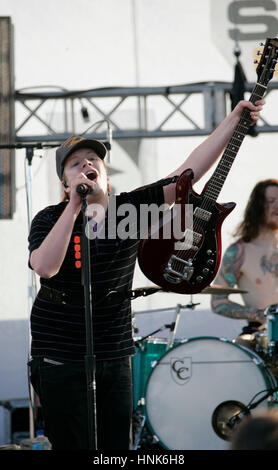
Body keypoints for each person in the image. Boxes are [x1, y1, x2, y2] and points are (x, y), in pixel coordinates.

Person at [27, 99, 264, 451]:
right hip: (59, 355)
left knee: (115, 448)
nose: (87, 164)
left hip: (113, 349)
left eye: (93, 160)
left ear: (106, 176)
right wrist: (75, 206)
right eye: (76, 164)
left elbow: (188, 174)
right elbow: (45, 266)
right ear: (65, 182)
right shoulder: (50, 219)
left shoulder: (130, 210)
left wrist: (234, 119)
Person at [211, 178, 278, 349]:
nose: (277, 205)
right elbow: (218, 302)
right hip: (262, 334)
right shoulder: (238, 252)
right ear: (257, 207)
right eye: (271, 201)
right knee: (244, 344)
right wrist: (260, 315)